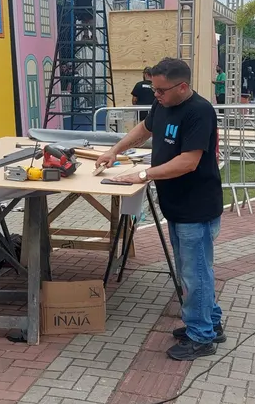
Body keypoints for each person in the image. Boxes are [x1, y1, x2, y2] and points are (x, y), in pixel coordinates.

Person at [96, 57, 225, 361]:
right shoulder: (162, 103)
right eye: (154, 90)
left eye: (161, 91)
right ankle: (209, 323)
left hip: (197, 206)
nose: (156, 95)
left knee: (196, 274)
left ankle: (202, 337)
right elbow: (145, 128)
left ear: (182, 86)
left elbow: (188, 161)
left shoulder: (199, 111)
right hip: (177, 205)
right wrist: (115, 149)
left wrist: (142, 174)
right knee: (189, 271)